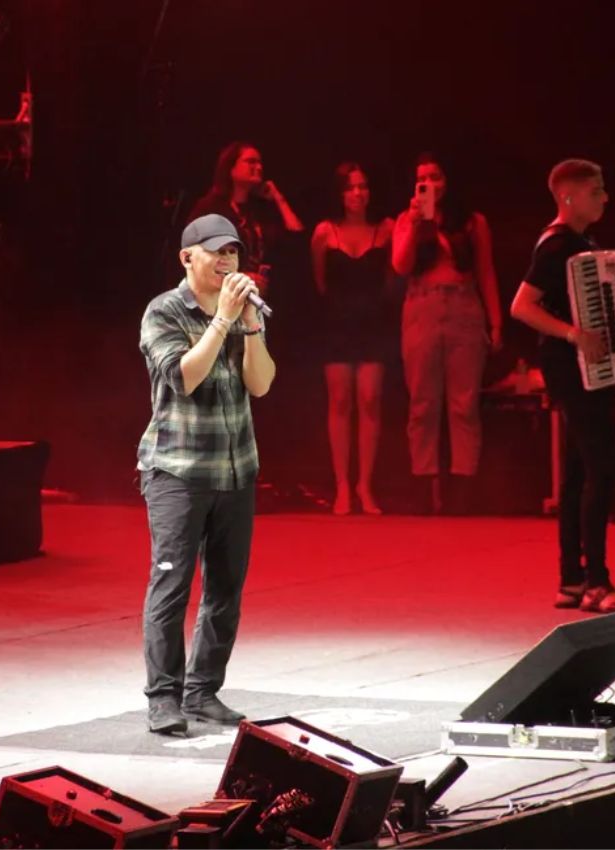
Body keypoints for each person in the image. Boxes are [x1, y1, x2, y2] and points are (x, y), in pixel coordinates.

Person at [137, 213, 276, 734]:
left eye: (233, 253)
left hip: (236, 469)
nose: (226, 262)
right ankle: (163, 698)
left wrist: (251, 326)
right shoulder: (163, 312)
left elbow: (260, 385)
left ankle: (203, 691)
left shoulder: (244, 312)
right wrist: (221, 321)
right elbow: (183, 379)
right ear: (187, 257)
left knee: (226, 588)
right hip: (177, 471)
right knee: (171, 585)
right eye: (216, 252)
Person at [509, 158, 615, 614]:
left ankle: (572, 580)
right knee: (599, 472)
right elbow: (522, 305)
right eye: (596, 191)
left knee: (579, 473)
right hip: (572, 368)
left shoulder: (579, 245)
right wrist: (573, 333)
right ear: (569, 196)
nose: (604, 198)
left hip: (578, 369)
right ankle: (597, 580)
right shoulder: (557, 246)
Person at [391, 153, 503, 513]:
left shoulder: (471, 222)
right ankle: (425, 486)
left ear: (447, 180)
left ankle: (462, 487)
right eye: (421, 179)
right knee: (423, 402)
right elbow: (401, 265)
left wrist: (495, 320)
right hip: (422, 306)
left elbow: (485, 271)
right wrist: (414, 223)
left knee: (464, 402)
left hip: (463, 307)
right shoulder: (406, 221)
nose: (428, 184)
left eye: (434, 177)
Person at [310, 162, 394, 515]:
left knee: (371, 399)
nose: (358, 193)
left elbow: (393, 278)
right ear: (340, 194)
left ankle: (365, 485)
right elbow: (319, 282)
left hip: (373, 323)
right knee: (341, 400)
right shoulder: (325, 232)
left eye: (363, 186)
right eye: (351, 187)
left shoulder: (385, 230)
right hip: (338, 323)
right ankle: (342, 485)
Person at [187, 141, 304, 292]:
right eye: (251, 162)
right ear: (231, 168)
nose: (259, 167)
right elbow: (195, 255)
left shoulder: (259, 208)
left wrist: (278, 198)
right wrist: (238, 276)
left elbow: (296, 239)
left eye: (260, 163)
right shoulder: (210, 207)